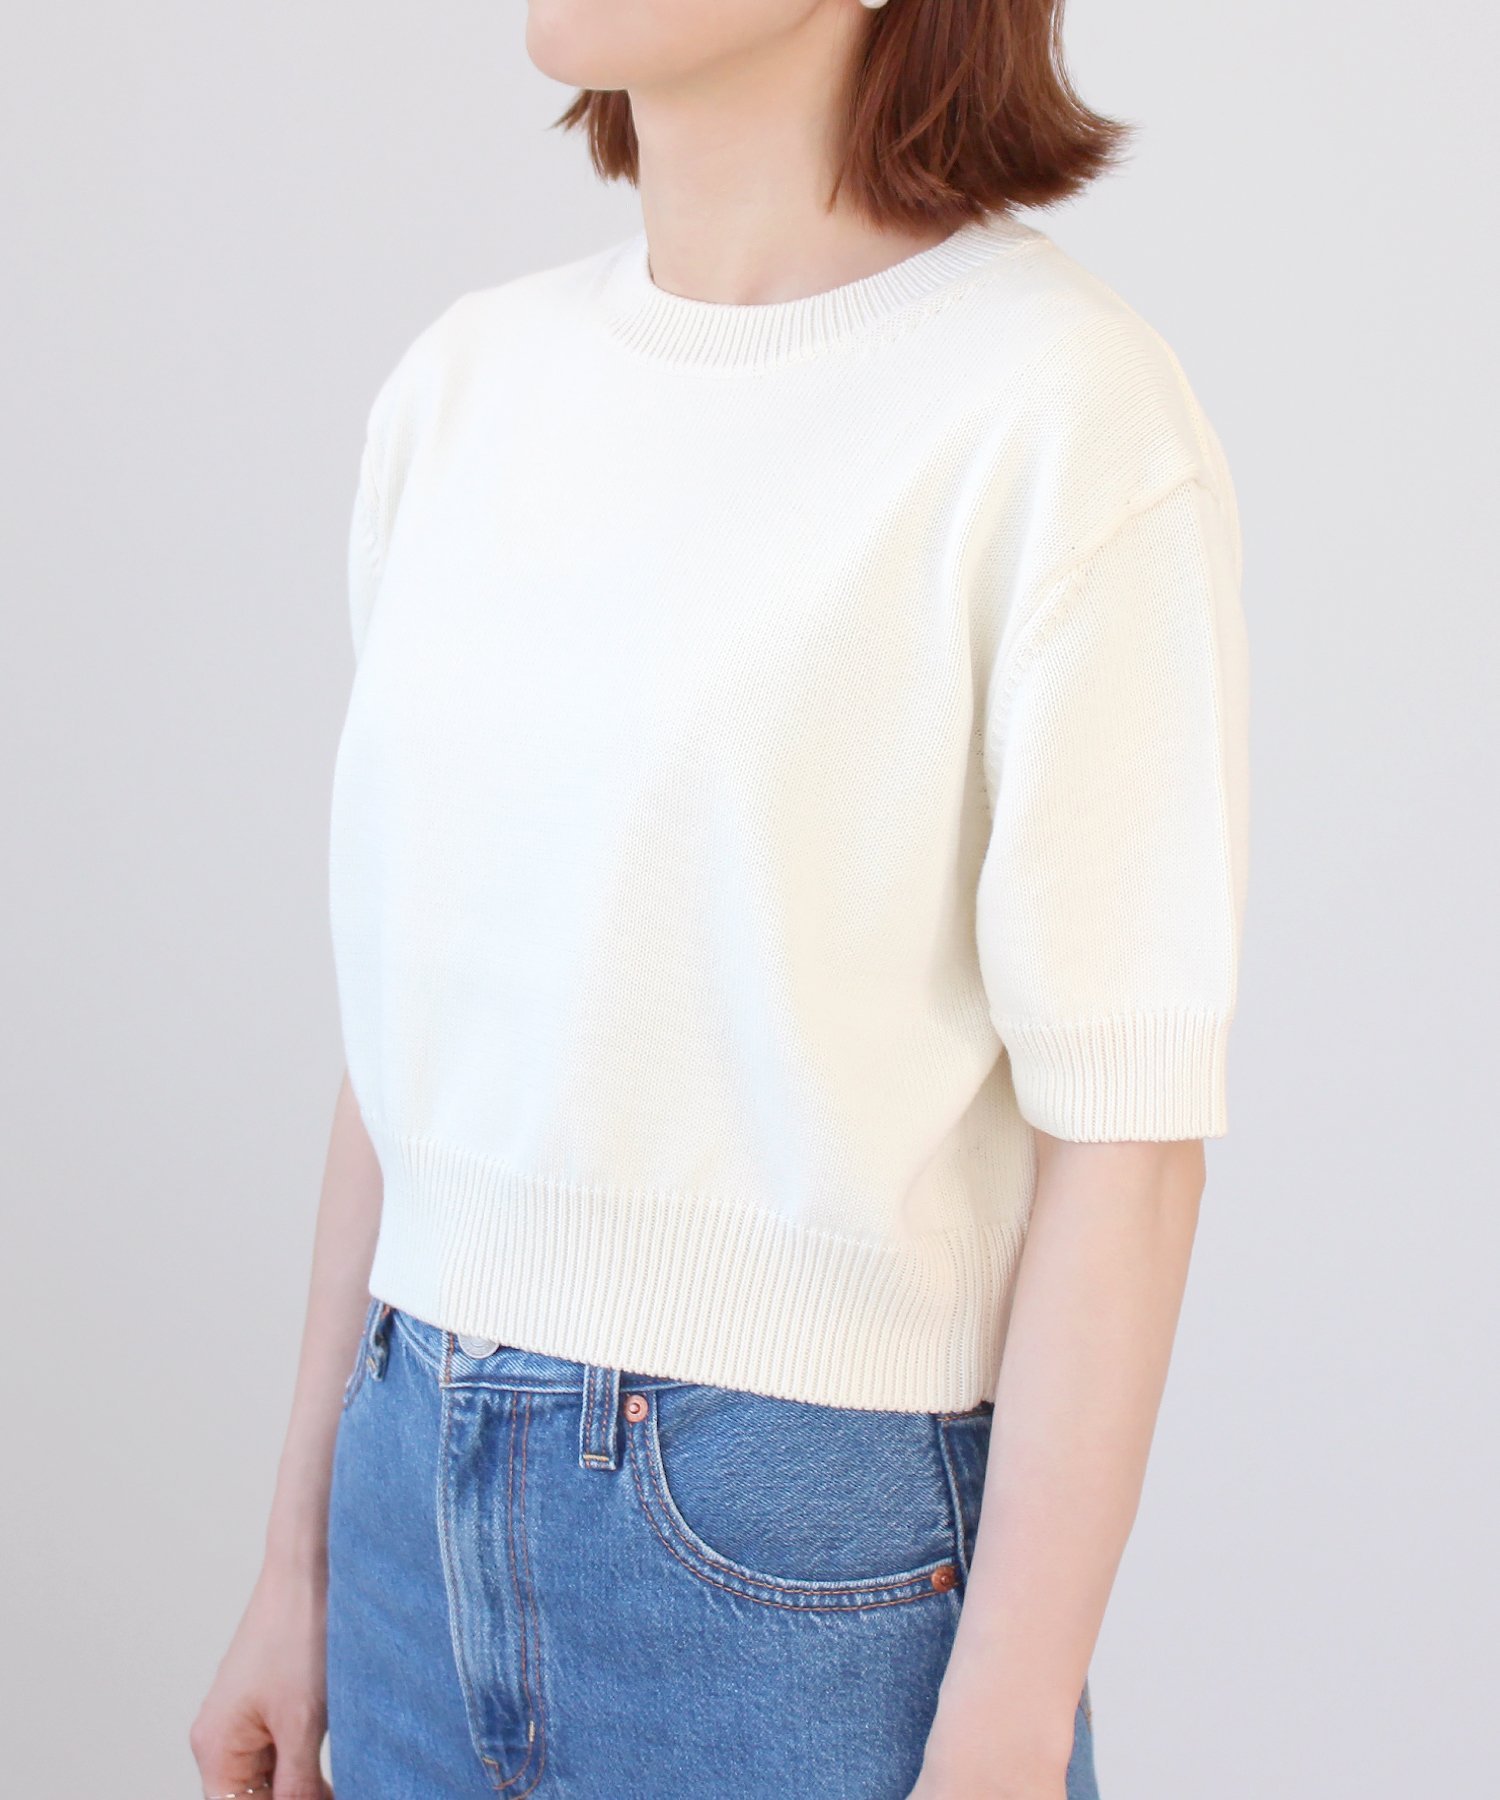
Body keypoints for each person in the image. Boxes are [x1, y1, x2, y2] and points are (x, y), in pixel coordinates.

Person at [190, 2, 1250, 1796]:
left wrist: (1003, 1730)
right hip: (401, 1514)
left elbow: (1128, 1145)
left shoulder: (1058, 411)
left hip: (790, 1566)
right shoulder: (465, 385)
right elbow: (407, 1054)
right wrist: (294, 1566)